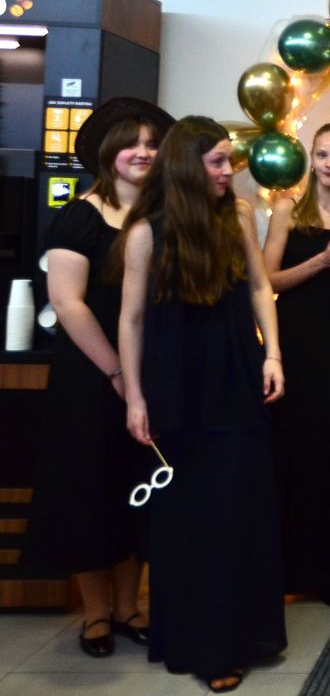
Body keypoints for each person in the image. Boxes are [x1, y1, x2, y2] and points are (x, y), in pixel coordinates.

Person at [118, 116, 287, 692]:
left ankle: (243, 635)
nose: (227, 171)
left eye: (227, 161)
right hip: (175, 388)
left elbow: (260, 286)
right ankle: (202, 645)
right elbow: (131, 320)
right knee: (190, 520)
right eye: (217, 161)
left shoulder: (236, 215)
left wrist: (273, 355)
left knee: (239, 509)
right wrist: (134, 396)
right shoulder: (146, 233)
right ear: (188, 166)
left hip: (236, 377)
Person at [24, 97, 172, 658]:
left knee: (138, 485)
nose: (142, 152)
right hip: (90, 375)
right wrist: (115, 370)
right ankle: (95, 614)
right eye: (131, 143)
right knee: (90, 489)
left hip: (150, 371)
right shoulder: (79, 215)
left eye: (152, 144)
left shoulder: (164, 218)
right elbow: (68, 302)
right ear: (109, 152)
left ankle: (130, 606)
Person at [262, 122, 330, 606]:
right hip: (292, 342)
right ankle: (285, 574)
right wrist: (318, 263)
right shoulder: (289, 208)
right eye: (322, 154)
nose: (329, 164)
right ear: (312, 158)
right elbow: (266, 280)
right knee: (290, 448)